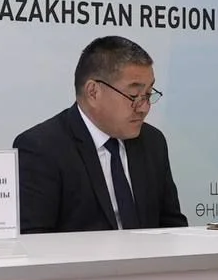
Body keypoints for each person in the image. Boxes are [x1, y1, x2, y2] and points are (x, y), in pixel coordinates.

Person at [13, 35, 186, 232]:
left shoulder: (153, 142)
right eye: (134, 96)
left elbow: (173, 229)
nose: (144, 108)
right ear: (93, 92)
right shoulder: (41, 149)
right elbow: (34, 240)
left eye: (148, 94)